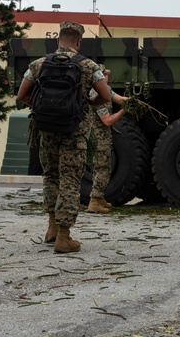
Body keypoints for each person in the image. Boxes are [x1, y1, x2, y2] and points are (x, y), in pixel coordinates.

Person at [16, 20, 111, 253]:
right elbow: (106, 96)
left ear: (58, 40)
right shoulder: (88, 66)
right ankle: (64, 236)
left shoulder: (39, 63)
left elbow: (21, 95)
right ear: (78, 42)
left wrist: (39, 107)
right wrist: (87, 104)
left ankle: (51, 227)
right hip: (74, 131)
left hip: (46, 129)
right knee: (70, 179)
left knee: (50, 175)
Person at [87, 69, 128, 213]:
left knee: (102, 167)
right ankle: (95, 201)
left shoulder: (106, 90)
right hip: (98, 137)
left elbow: (118, 98)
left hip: (102, 136)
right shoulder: (98, 97)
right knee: (102, 168)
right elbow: (108, 121)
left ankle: (99, 198)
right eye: (105, 76)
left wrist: (131, 100)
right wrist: (124, 111)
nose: (108, 79)